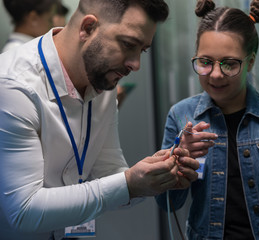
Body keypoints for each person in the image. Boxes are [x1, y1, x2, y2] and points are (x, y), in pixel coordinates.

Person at [0, 1, 200, 240]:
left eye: (142, 50)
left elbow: (109, 175)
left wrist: (154, 178)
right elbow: (24, 212)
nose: (135, 64)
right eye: (128, 44)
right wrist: (129, 184)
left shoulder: (102, 84)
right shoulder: (13, 87)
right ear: (87, 28)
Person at [155, 0, 259, 239]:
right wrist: (177, 162)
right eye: (205, 62)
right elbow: (168, 204)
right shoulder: (181, 115)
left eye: (229, 64)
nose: (216, 74)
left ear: (250, 62)